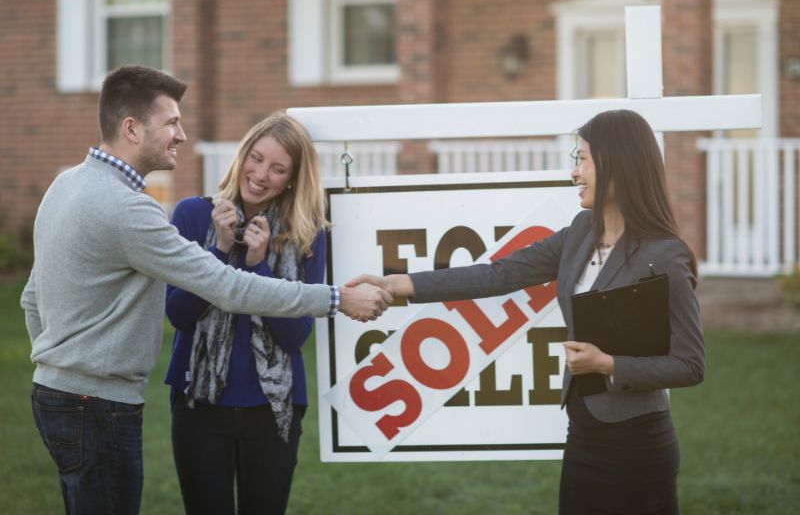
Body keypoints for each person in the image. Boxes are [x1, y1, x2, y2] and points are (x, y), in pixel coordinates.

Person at [20, 65, 390, 515]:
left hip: (65, 395)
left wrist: (56, 366)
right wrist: (336, 298)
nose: (182, 134)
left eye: (278, 168)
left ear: (293, 177)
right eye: (172, 123)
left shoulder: (66, 184)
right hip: (107, 401)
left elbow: (31, 297)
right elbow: (214, 294)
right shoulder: (137, 210)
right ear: (132, 128)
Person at [351, 109, 705, 515]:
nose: (574, 172)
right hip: (584, 435)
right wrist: (398, 285)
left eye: (582, 159)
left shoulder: (664, 255)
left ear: (617, 163)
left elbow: (690, 365)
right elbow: (497, 274)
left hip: (639, 445)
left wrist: (608, 364)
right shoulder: (579, 234)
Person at [164, 113, 327, 514]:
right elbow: (178, 315)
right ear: (242, 156)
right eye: (256, 158)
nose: (260, 175)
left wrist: (258, 265)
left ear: (292, 179)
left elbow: (294, 337)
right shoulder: (192, 215)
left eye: (278, 169)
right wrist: (219, 252)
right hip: (198, 403)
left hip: (273, 406)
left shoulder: (306, 232)